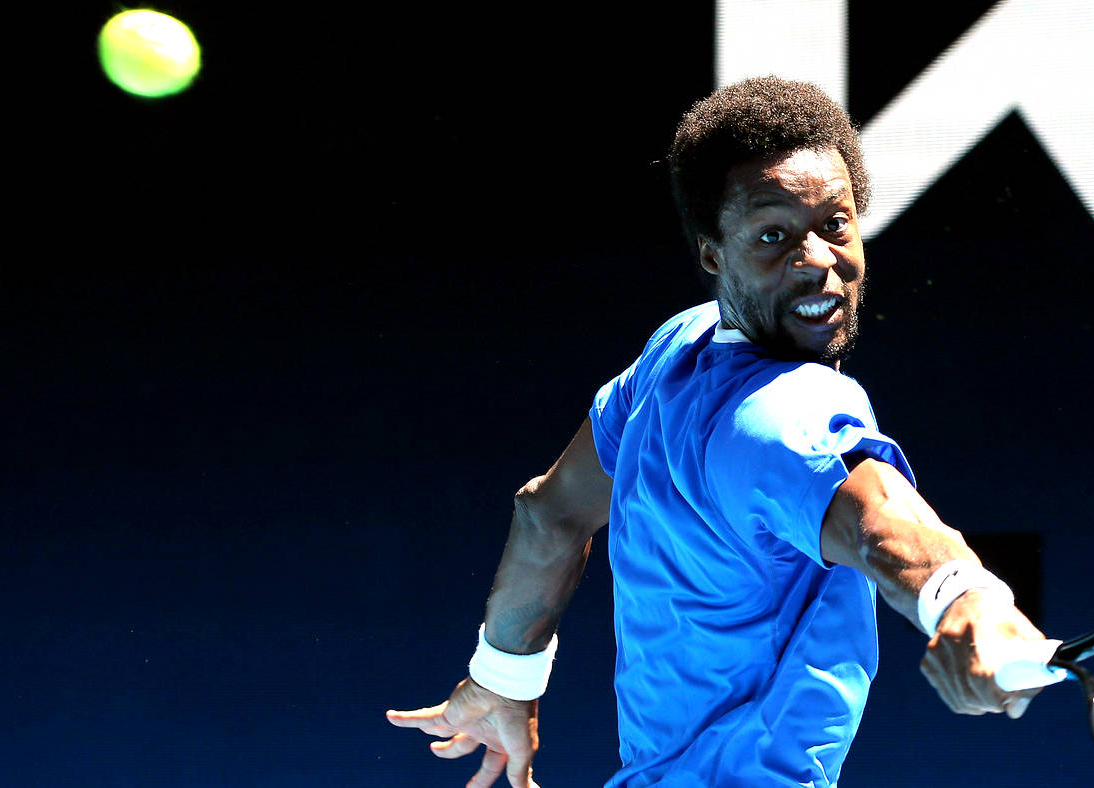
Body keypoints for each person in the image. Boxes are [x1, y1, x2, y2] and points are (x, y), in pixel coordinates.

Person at [387, 76, 1051, 788]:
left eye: (835, 223)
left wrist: (502, 678)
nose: (817, 260)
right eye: (773, 236)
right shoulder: (786, 414)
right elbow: (878, 522)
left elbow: (549, 513)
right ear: (713, 253)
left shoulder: (675, 352)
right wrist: (965, 596)